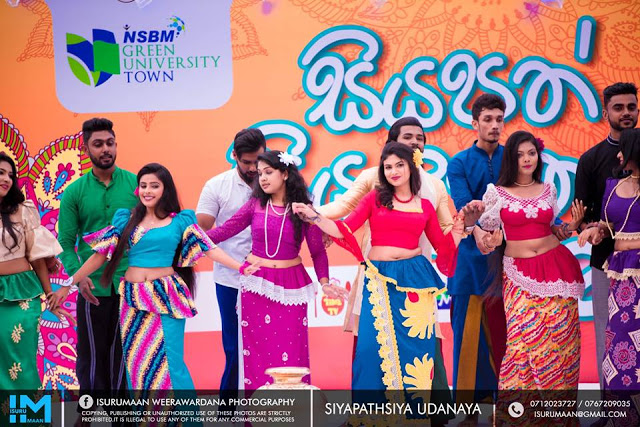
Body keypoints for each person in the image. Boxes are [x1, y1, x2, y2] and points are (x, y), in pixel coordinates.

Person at [293, 142, 464, 422]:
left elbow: (442, 247)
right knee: (370, 350)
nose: (394, 171)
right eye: (388, 167)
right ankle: (373, 418)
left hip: (415, 283)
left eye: (399, 165)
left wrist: (459, 229)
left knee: (416, 352)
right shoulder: (375, 198)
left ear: (411, 167)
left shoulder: (425, 206)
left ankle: (413, 418)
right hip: (378, 280)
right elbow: (345, 228)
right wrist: (314, 216)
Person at [69, 163, 258, 390]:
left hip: (165, 297)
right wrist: (69, 283)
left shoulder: (180, 221)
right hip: (132, 299)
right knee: (137, 364)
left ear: (165, 189)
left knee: (170, 363)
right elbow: (99, 256)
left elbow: (209, 248)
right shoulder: (126, 219)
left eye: (154, 186)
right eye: (143, 186)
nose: (147, 191)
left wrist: (240, 267)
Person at [206, 150, 346, 390]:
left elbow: (317, 252)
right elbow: (226, 230)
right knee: (255, 354)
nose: (262, 178)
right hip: (256, 286)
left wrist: (324, 282)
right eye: (260, 173)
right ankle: (258, 409)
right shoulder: (255, 205)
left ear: (285, 174)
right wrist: (192, 238)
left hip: (290, 287)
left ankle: (292, 408)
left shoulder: (303, 210)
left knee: (292, 351)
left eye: (268, 172)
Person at [478, 131, 584, 420]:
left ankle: (558, 418)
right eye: (520, 154)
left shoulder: (548, 189)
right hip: (518, 277)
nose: (526, 159)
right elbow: (488, 237)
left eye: (531, 153)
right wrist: (489, 240)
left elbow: (554, 231)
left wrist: (572, 225)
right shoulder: (496, 193)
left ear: (538, 156)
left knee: (561, 346)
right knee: (521, 347)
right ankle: (518, 419)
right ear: (510, 159)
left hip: (557, 273)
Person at [57, 118, 137, 411]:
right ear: (85, 148)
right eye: (98, 144)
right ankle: (88, 413)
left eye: (110, 143)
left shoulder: (136, 185)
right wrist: (78, 277)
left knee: (124, 356)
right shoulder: (75, 191)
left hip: (131, 285)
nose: (106, 149)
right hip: (93, 288)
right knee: (91, 356)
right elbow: (65, 243)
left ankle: (121, 416)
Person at [446, 94, 510, 409]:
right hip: (469, 261)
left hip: (508, 260)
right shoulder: (459, 162)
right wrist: (481, 231)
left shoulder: (513, 158)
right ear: (475, 123)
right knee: (467, 335)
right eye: (488, 119)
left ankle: (507, 405)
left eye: (499, 119)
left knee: (506, 335)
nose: (494, 125)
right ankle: (468, 410)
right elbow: (464, 205)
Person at [574, 82, 638, 389]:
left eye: (631, 107)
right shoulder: (592, 159)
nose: (626, 113)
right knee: (608, 335)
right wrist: (591, 231)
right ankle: (610, 408)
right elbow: (582, 215)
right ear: (605, 113)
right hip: (606, 263)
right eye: (618, 107)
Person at [196, 128, 266, 396]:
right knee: (234, 348)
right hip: (230, 279)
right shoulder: (217, 186)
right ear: (234, 155)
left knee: (268, 346)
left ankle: (266, 407)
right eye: (246, 162)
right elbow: (202, 231)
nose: (253, 168)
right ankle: (228, 409)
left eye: (257, 161)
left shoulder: (277, 182)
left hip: (271, 279)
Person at [0, 153, 70, 389]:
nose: (7, 179)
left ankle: (27, 412)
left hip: (20, 295)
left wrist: (50, 295)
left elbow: (37, 257)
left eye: (11, 175)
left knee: (21, 363)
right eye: (1, 173)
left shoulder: (23, 210)